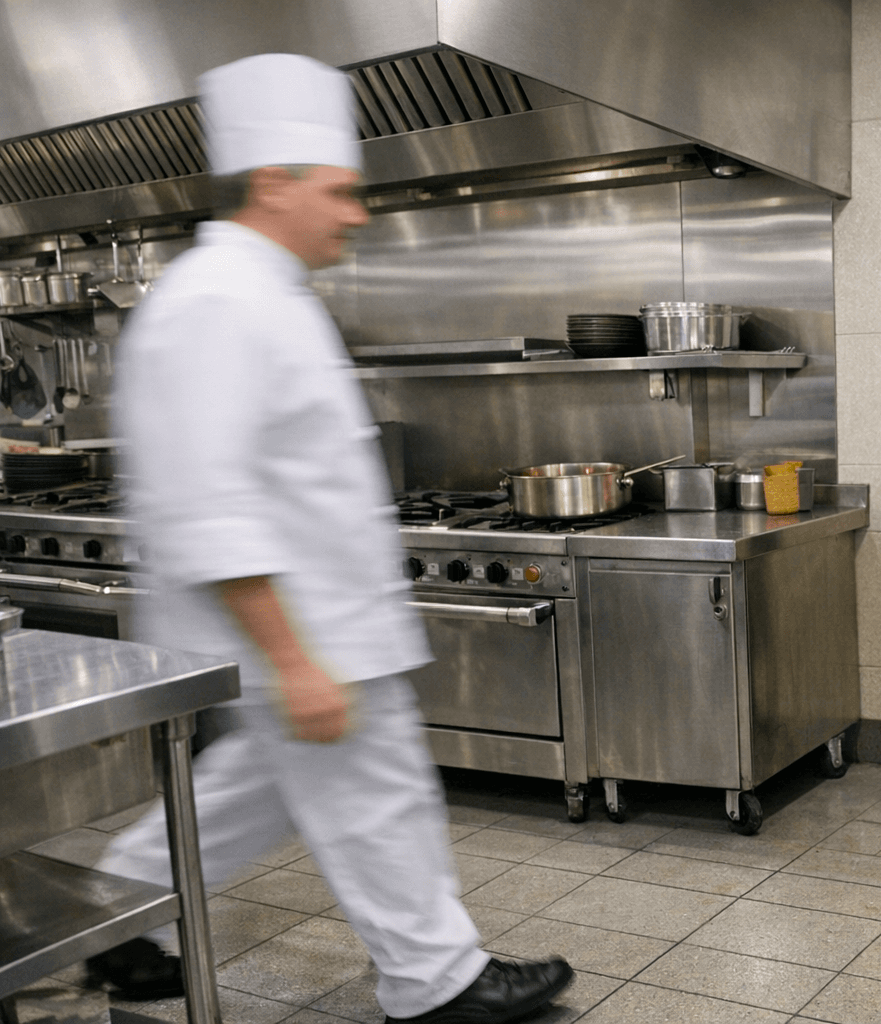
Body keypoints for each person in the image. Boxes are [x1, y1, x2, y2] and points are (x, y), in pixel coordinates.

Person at [84, 53, 572, 1024]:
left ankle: (120, 917)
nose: (358, 214)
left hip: (318, 626)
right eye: (343, 193)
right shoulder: (218, 300)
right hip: (296, 632)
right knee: (377, 798)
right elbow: (206, 500)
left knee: (255, 790)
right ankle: (438, 982)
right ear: (277, 183)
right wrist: (292, 656)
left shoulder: (265, 293)